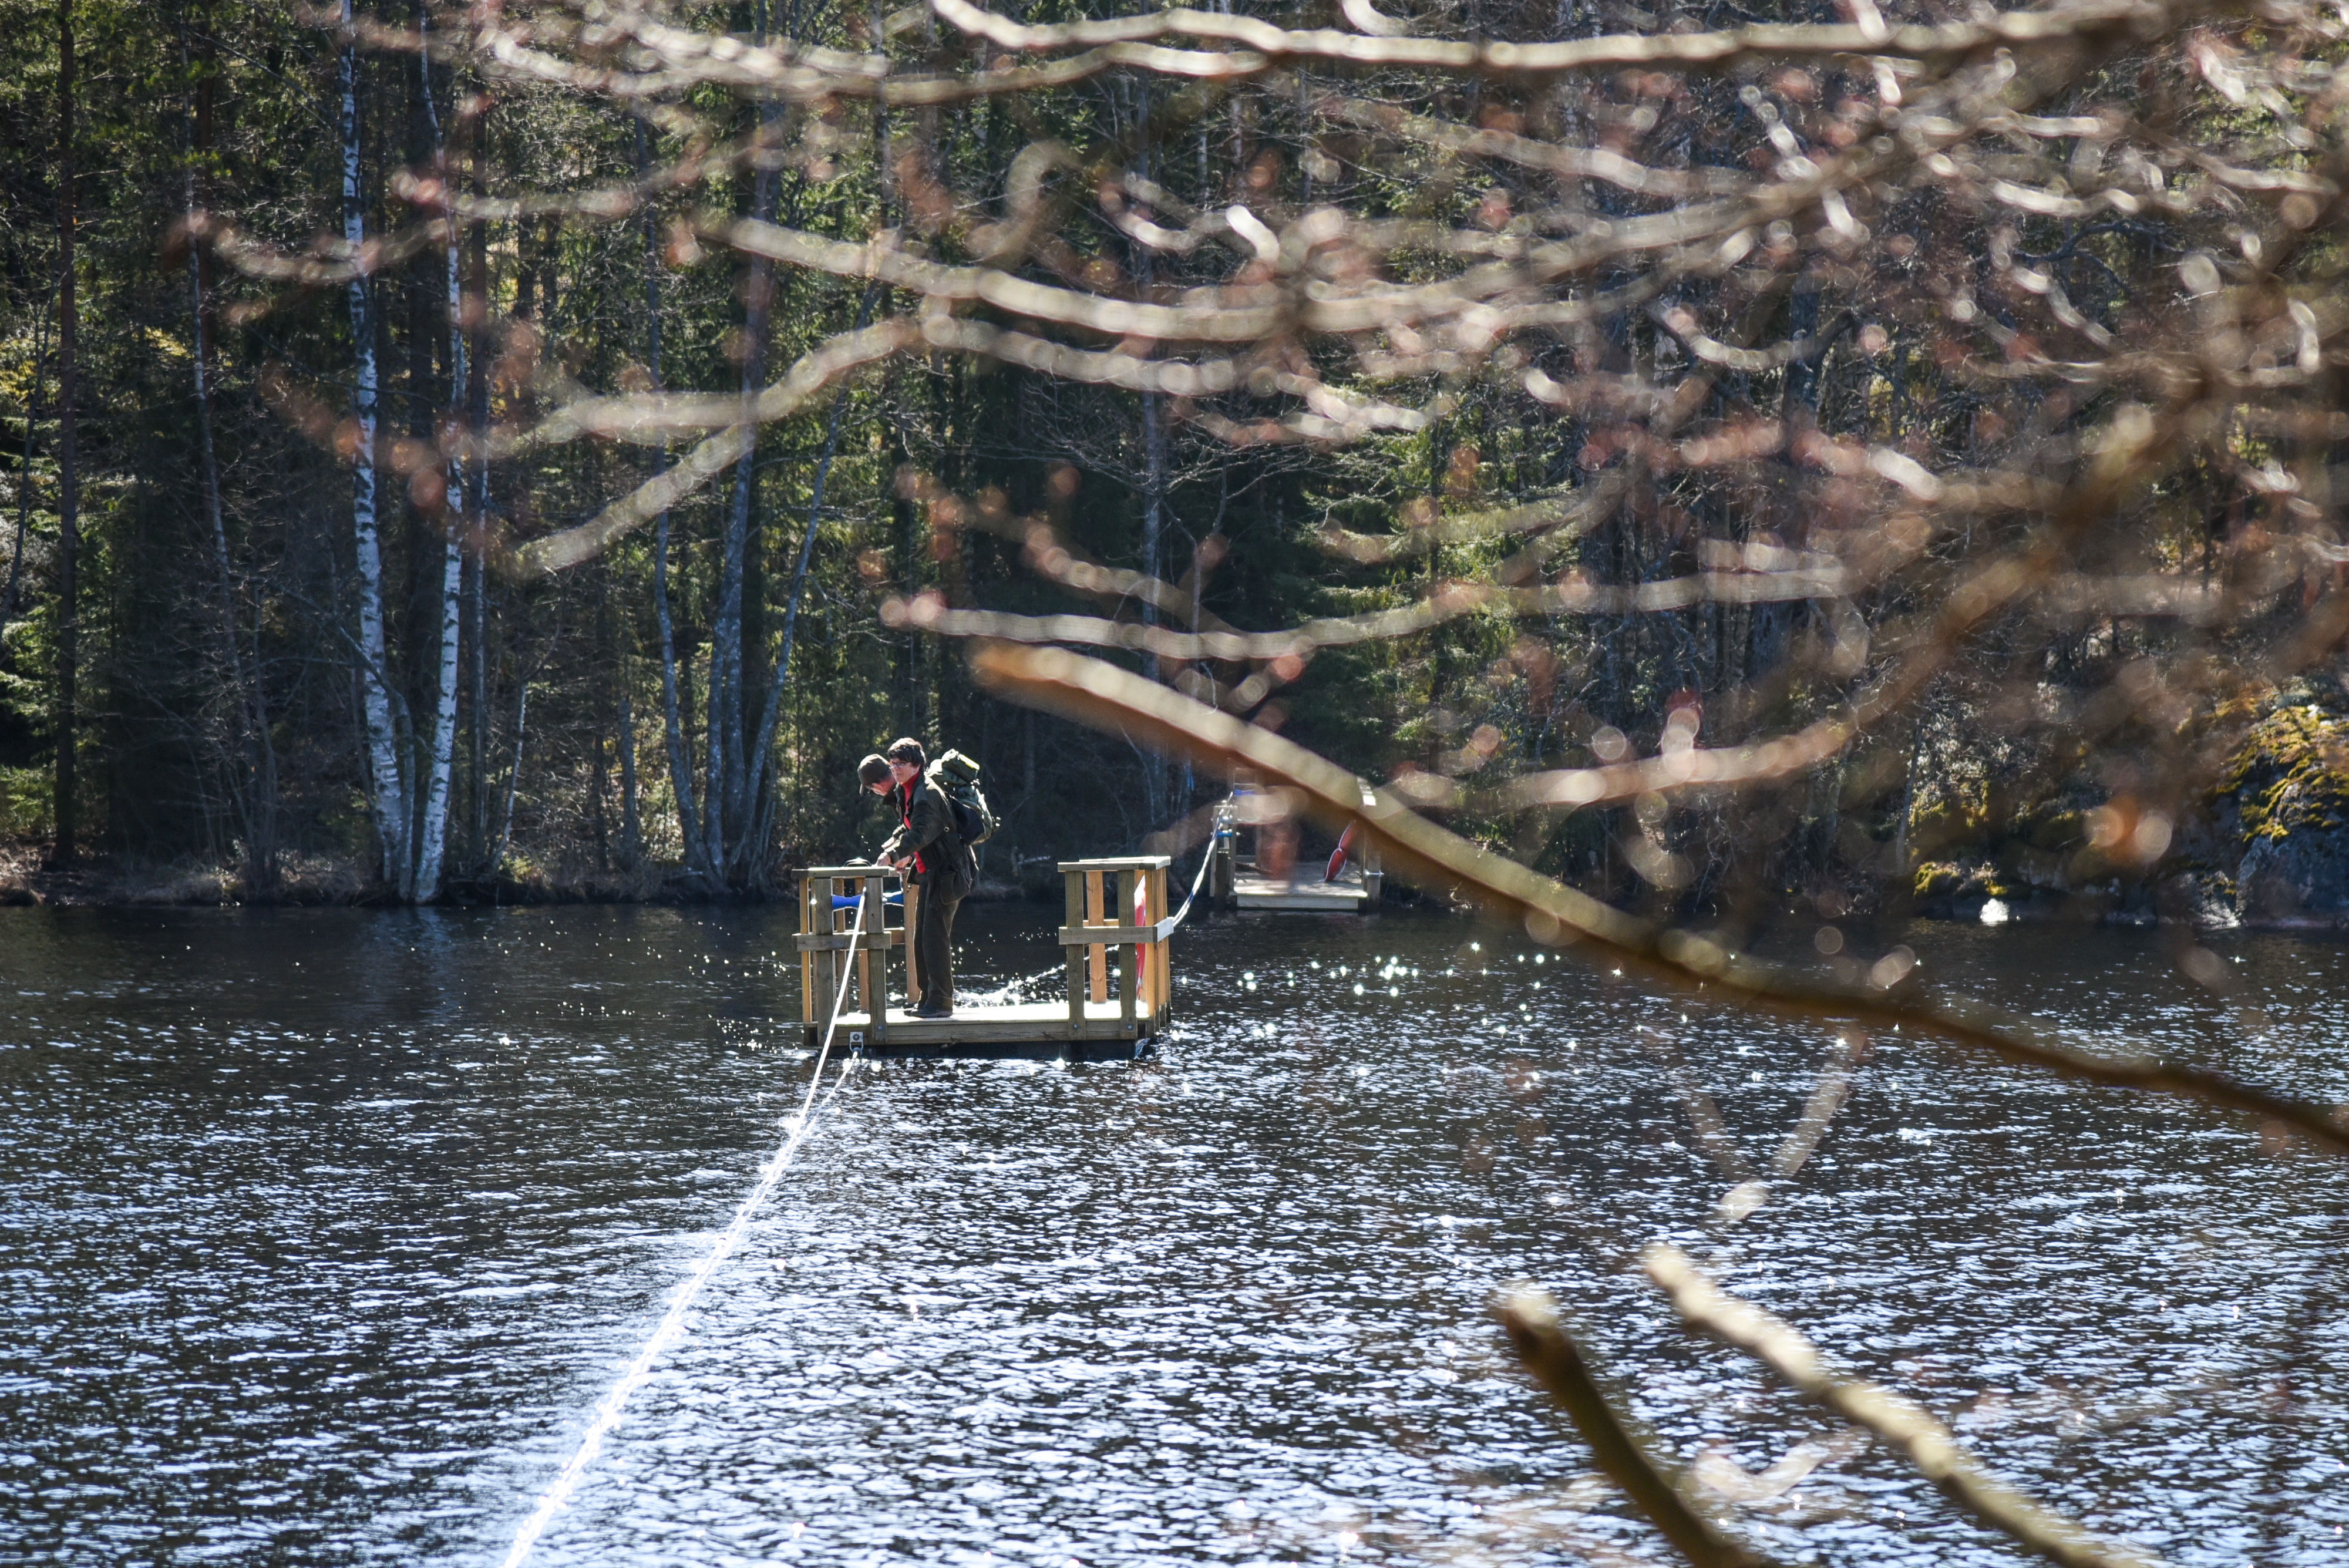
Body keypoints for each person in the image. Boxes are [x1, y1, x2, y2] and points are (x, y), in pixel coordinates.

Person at [858, 738, 975, 1017]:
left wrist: (894, 854)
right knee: (922, 938)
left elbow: (923, 831)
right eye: (893, 763)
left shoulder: (927, 793)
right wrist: (892, 847)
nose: (895, 769)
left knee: (935, 939)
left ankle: (941, 1004)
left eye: (901, 764)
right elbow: (907, 827)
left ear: (917, 765)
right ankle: (927, 1000)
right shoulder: (906, 791)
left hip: (949, 874)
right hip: (931, 874)